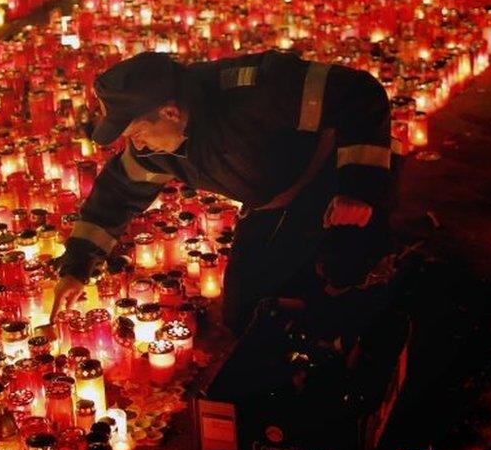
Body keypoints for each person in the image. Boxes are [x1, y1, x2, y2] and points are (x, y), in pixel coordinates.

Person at [50, 50, 397, 333]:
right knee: (244, 312)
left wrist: (358, 188)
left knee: (344, 282)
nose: (136, 144)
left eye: (137, 131)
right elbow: (115, 194)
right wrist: (76, 268)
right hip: (271, 204)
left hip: (331, 182)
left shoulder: (256, 90)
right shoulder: (154, 147)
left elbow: (359, 94)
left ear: (169, 112)